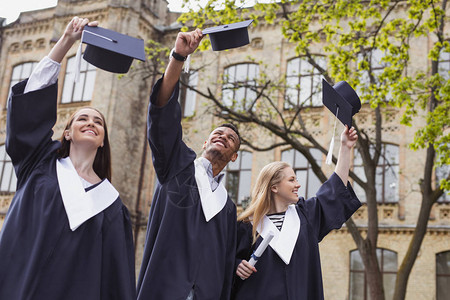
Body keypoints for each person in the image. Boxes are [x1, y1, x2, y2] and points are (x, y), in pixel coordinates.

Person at [0, 17, 136, 300]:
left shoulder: (112, 205)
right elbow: (28, 109)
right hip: (17, 288)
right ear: (68, 133)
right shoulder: (40, 162)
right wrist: (66, 41)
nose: (91, 122)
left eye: (98, 122)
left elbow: (116, 278)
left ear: (102, 140)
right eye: (82, 119)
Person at [136, 29, 238, 300]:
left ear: (234, 157)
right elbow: (163, 118)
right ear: (204, 144)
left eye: (231, 138)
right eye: (217, 133)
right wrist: (178, 57)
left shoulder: (227, 208)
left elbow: (227, 266)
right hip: (164, 290)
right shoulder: (177, 167)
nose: (222, 137)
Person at [233, 126, 361, 300]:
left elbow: (334, 190)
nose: (298, 185)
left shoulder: (306, 215)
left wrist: (345, 148)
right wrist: (237, 264)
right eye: (291, 180)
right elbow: (225, 263)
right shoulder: (247, 226)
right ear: (274, 187)